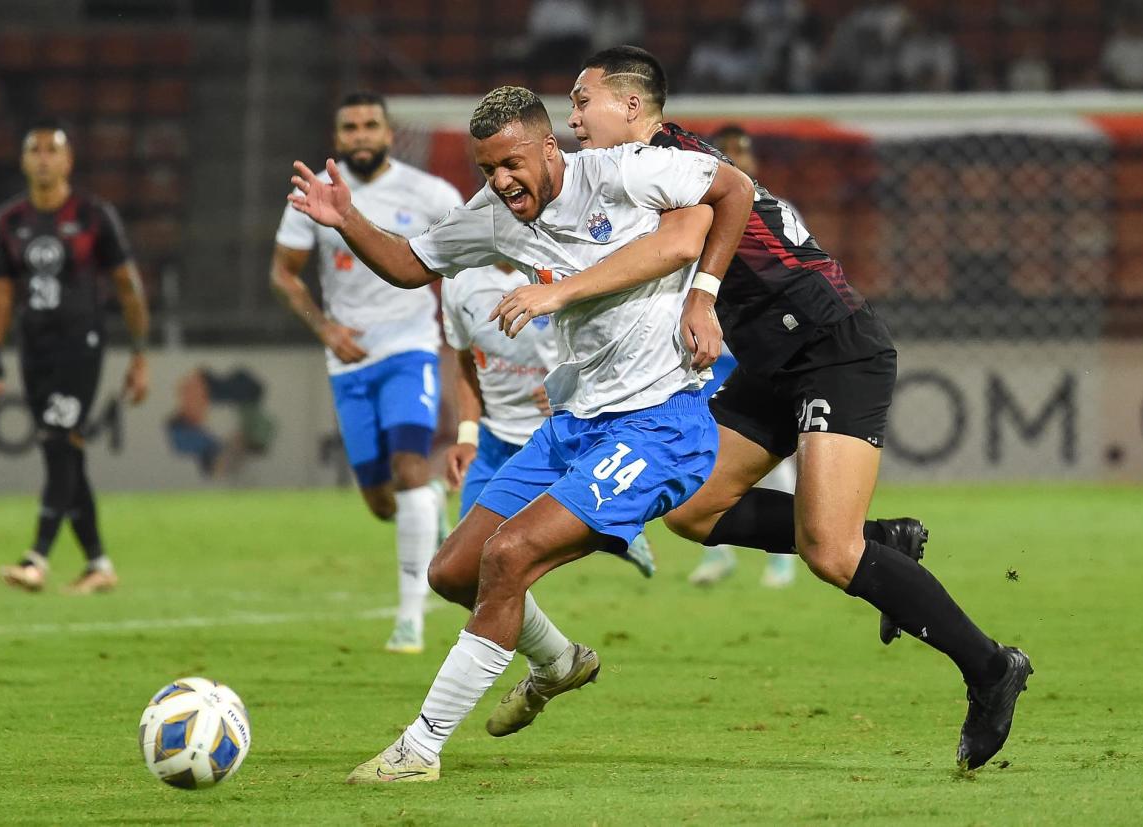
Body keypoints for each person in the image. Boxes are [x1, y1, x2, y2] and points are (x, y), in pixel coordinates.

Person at [538, 45, 1030, 770]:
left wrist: (679, 302)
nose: (573, 117)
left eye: (584, 102)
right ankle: (885, 538)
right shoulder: (637, 170)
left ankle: (990, 667)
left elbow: (687, 239)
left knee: (831, 551)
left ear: (633, 106)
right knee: (692, 509)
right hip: (771, 359)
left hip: (833, 345)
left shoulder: (672, 165)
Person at [287, 85, 755, 782]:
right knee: (454, 570)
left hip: (661, 424)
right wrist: (348, 219)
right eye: (486, 170)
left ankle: (420, 747)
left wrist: (703, 292)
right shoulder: (497, 217)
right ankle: (559, 660)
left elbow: (736, 188)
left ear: (547, 146)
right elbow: (412, 263)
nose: (501, 182)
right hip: (573, 426)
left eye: (511, 163)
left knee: (508, 556)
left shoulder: (622, 170)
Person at [270, 92, 459, 655]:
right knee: (382, 502)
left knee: (409, 466)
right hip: (349, 359)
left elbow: (471, 254)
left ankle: (410, 619)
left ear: (388, 132)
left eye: (370, 125)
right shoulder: (313, 198)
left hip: (411, 348)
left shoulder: (429, 194)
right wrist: (326, 329)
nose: (360, 134)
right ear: (337, 136)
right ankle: (429, 506)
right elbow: (284, 274)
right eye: (349, 126)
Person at [0, 119, 150, 595]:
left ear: (67, 161)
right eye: (33, 150)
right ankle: (98, 562)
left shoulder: (95, 216)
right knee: (62, 451)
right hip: (33, 347)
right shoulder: (8, 221)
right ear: (23, 161)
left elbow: (127, 286)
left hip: (82, 343)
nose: (42, 158)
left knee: (59, 438)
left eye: (51, 150)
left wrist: (140, 353)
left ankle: (36, 558)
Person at [441, 263, 655, 577]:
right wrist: (467, 436)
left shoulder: (561, 263)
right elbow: (465, 361)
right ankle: (610, 531)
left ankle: (611, 528)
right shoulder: (458, 279)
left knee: (504, 563)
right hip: (494, 442)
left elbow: (614, 345)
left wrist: (570, 384)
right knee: (461, 569)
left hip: (560, 440)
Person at [688, 124, 796, 589]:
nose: (737, 160)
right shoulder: (697, 214)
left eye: (742, 152)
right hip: (710, 348)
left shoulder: (774, 211)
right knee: (703, 451)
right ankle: (720, 553)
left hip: (760, 349)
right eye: (727, 153)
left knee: (766, 451)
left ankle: (781, 560)